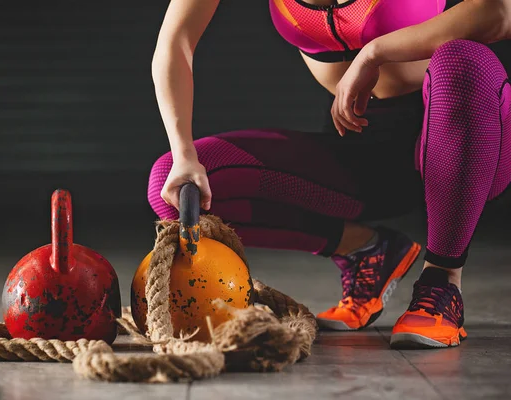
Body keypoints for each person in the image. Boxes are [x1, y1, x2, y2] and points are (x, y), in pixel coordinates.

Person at [147, 0, 511, 348]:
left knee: (463, 59)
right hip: (359, 142)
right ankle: (366, 249)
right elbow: (175, 42)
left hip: (469, 137)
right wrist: (184, 154)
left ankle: (442, 281)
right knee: (177, 188)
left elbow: (498, 12)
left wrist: (375, 52)